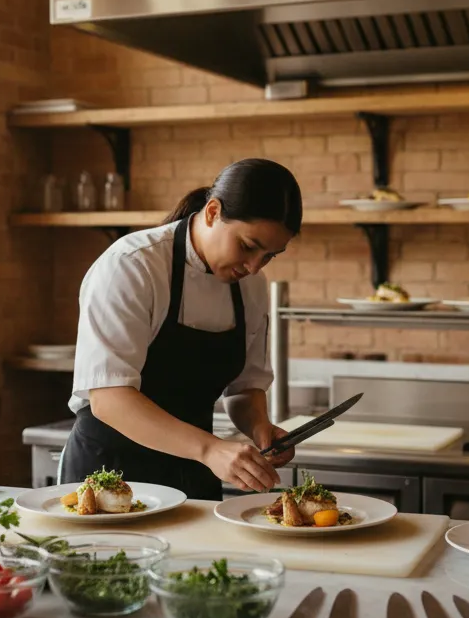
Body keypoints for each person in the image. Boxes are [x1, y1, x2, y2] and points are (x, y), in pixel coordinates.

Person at [63, 158, 302, 499]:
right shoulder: (133, 265)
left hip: (192, 476)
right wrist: (210, 450)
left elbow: (245, 388)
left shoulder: (251, 286)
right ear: (212, 212)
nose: (253, 266)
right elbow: (109, 398)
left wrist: (260, 428)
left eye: (269, 256)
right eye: (248, 247)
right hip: (109, 476)